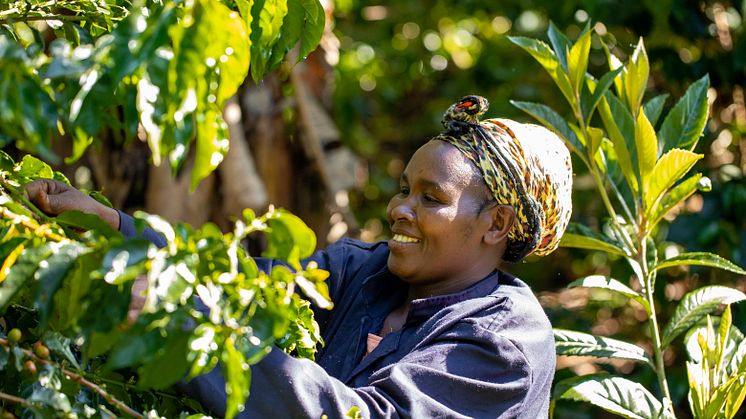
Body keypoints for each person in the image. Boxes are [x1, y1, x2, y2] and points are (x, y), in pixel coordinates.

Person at [25, 95, 573, 418]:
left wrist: (175, 322)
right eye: (404, 189)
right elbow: (236, 284)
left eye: (431, 199)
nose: (400, 209)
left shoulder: (504, 346)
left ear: (497, 225)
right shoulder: (360, 271)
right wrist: (112, 227)